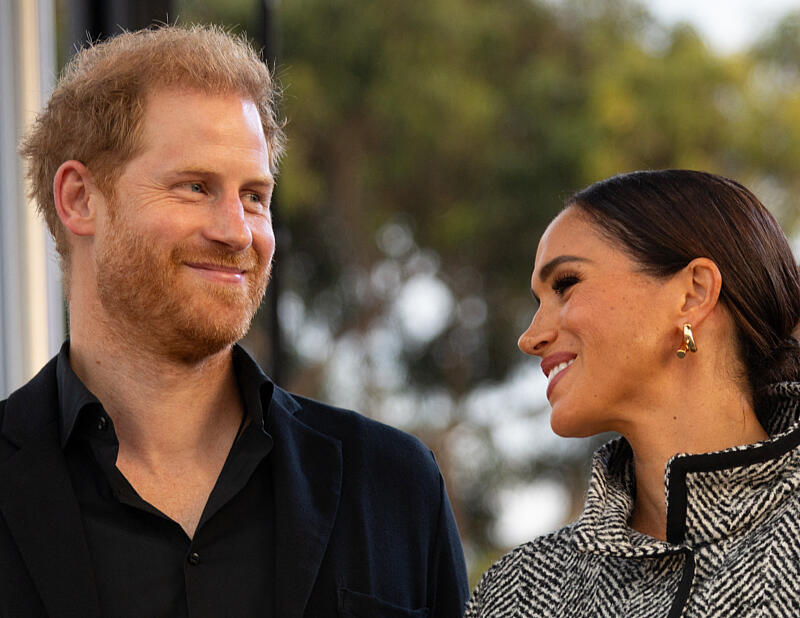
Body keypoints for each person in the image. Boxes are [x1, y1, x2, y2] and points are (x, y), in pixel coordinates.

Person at [0, 25, 468, 617]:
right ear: (79, 198)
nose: (237, 233)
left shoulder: (394, 486)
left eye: (254, 196)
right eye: (195, 187)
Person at [465, 169, 800, 617]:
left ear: (693, 294)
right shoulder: (516, 591)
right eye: (538, 302)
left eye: (566, 284)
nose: (530, 338)